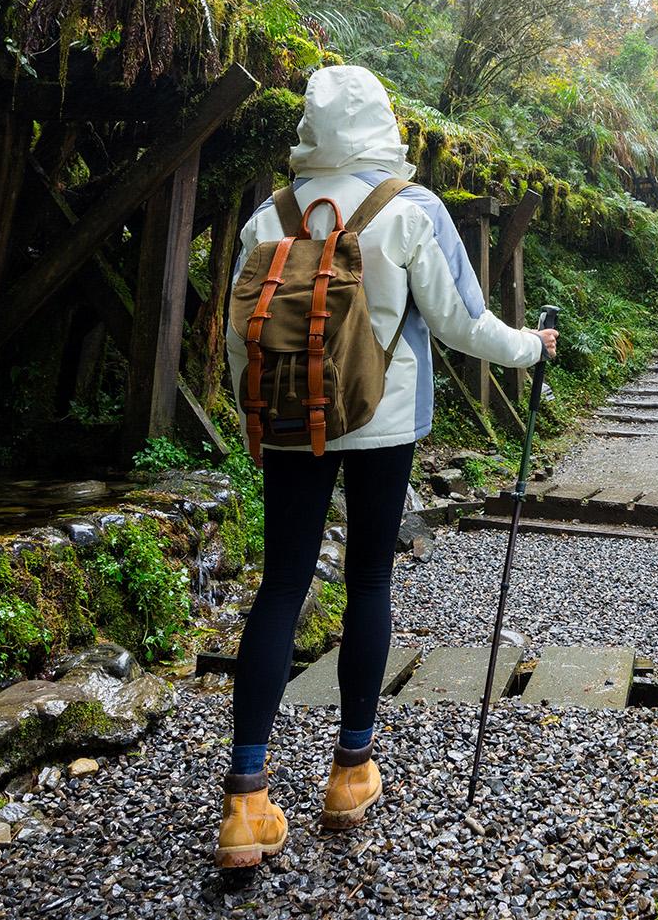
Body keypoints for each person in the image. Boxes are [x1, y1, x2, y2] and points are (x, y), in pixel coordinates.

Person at [214, 66, 557, 869]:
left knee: (281, 584)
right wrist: (530, 349)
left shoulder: (271, 215)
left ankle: (245, 804)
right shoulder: (410, 209)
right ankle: (350, 772)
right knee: (368, 579)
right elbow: (466, 324)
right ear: (382, 123)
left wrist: (256, 418)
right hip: (381, 423)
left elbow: (237, 337)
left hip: (291, 423)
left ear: (309, 126)